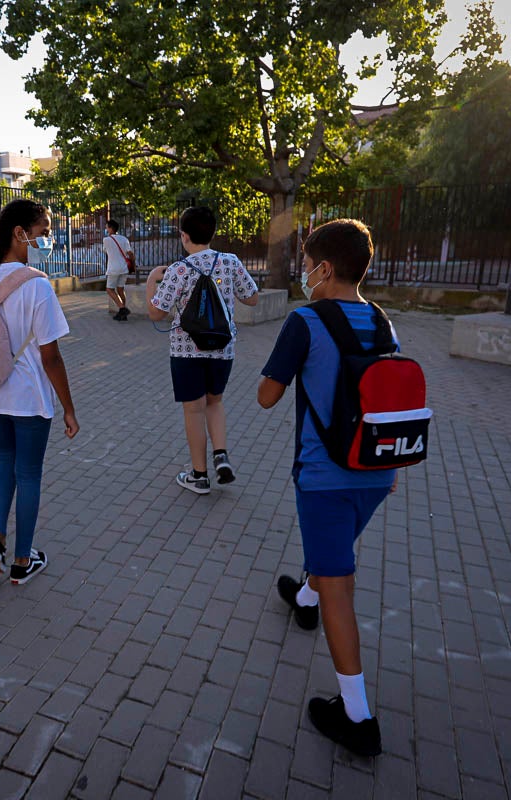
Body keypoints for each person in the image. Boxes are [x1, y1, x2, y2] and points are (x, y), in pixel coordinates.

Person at [257, 218, 396, 758]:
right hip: (377, 472)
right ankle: (304, 596)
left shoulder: (305, 321)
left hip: (324, 477)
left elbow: (268, 396)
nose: (304, 273)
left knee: (340, 582)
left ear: (325, 268)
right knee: (330, 558)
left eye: (308, 263)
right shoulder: (384, 323)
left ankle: (358, 718)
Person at [0, 199, 79, 585]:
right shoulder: (37, 285)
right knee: (28, 473)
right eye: (44, 233)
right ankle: (21, 561)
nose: (47, 239)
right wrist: (68, 408)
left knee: (5, 462)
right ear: (20, 233)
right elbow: (51, 357)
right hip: (29, 398)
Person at [146, 206, 259, 494]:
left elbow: (156, 313)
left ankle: (199, 475)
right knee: (215, 402)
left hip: (186, 351)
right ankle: (220, 455)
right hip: (223, 349)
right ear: (212, 233)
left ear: (183, 236)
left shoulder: (178, 270)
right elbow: (253, 298)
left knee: (193, 410)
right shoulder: (230, 262)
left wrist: (151, 281)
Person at [104, 219, 134, 320]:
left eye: (107, 227)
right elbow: (130, 254)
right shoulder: (124, 239)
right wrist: (133, 265)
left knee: (109, 289)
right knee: (120, 289)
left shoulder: (106, 240)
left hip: (113, 269)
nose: (106, 229)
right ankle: (123, 314)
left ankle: (122, 308)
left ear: (111, 228)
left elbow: (106, 251)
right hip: (124, 268)